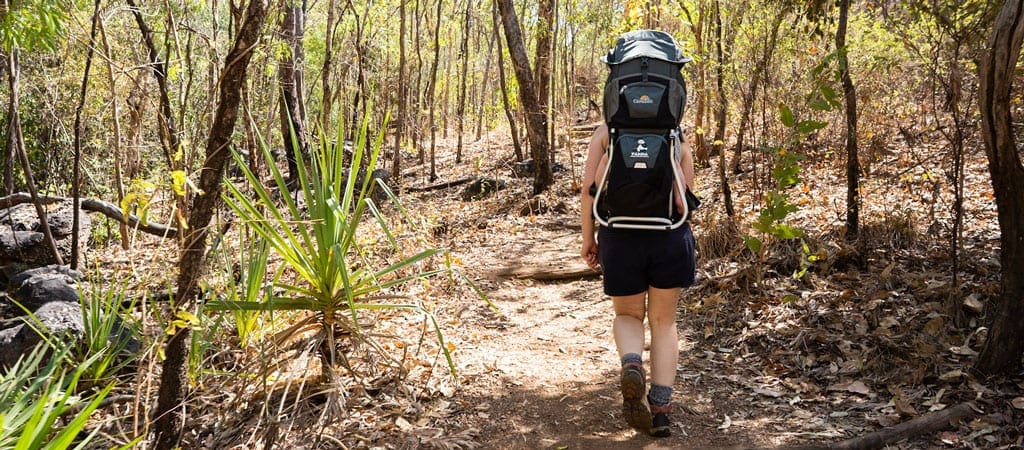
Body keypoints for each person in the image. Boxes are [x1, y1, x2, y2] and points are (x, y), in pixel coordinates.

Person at [580, 122, 696, 437]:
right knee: (664, 321)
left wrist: (588, 238)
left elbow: (589, 188)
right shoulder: (677, 134)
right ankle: (660, 411)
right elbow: (683, 198)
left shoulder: (606, 132)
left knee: (628, 314)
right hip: (668, 236)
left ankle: (632, 364)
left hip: (619, 237)